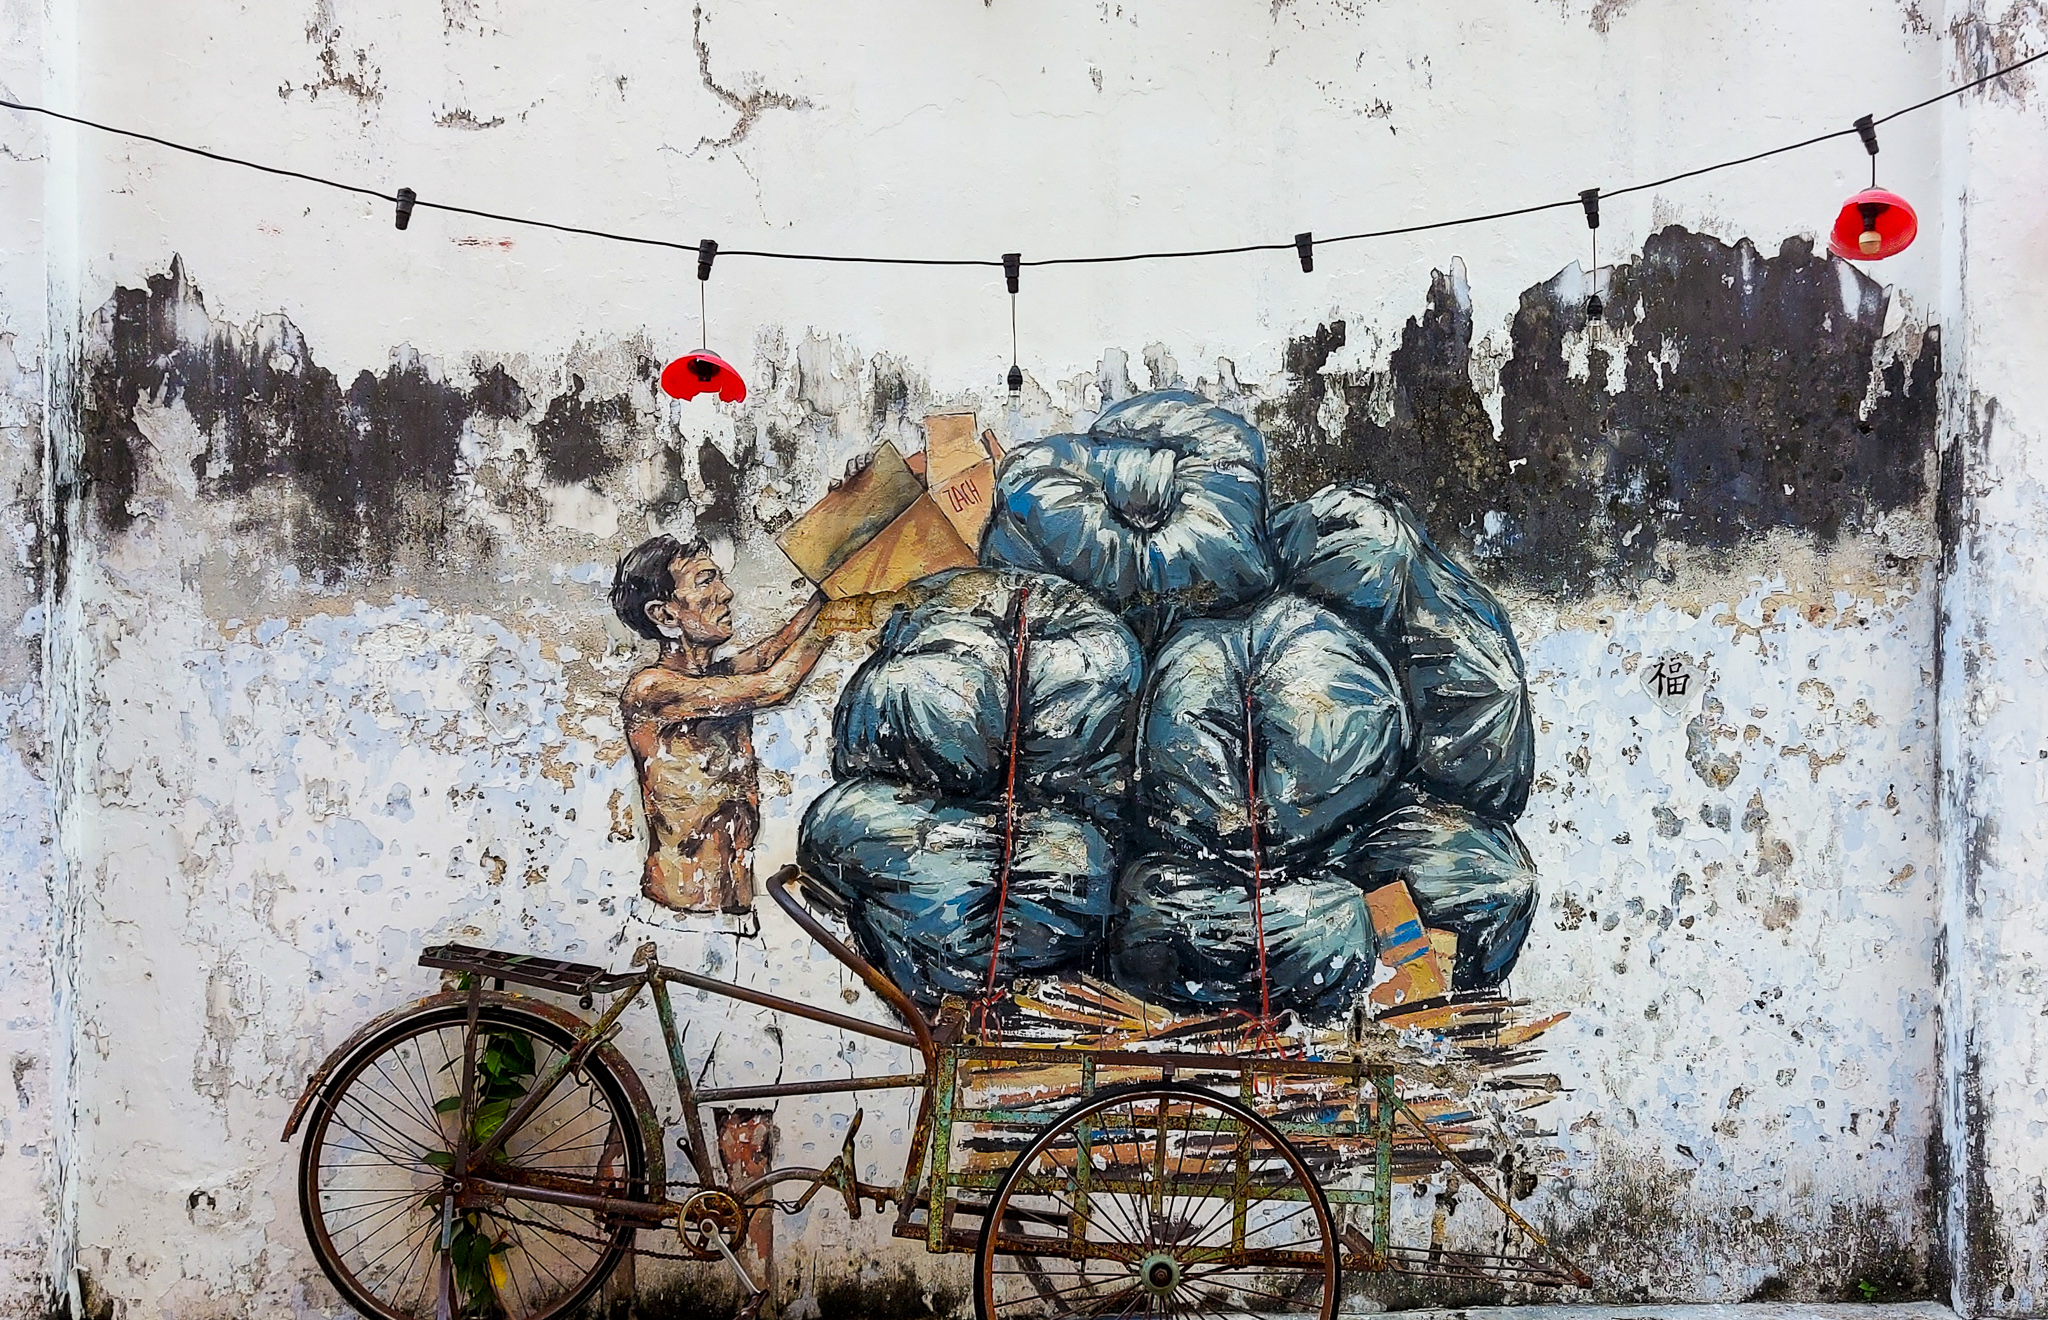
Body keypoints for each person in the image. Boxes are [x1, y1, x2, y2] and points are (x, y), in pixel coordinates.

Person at [611, 535, 842, 913]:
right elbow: (775, 685)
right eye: (705, 581)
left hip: (733, 906)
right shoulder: (652, 689)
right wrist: (833, 621)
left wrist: (831, 591)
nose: (726, 592)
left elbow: (774, 650)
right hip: (680, 912)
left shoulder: (716, 675)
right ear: (665, 614)